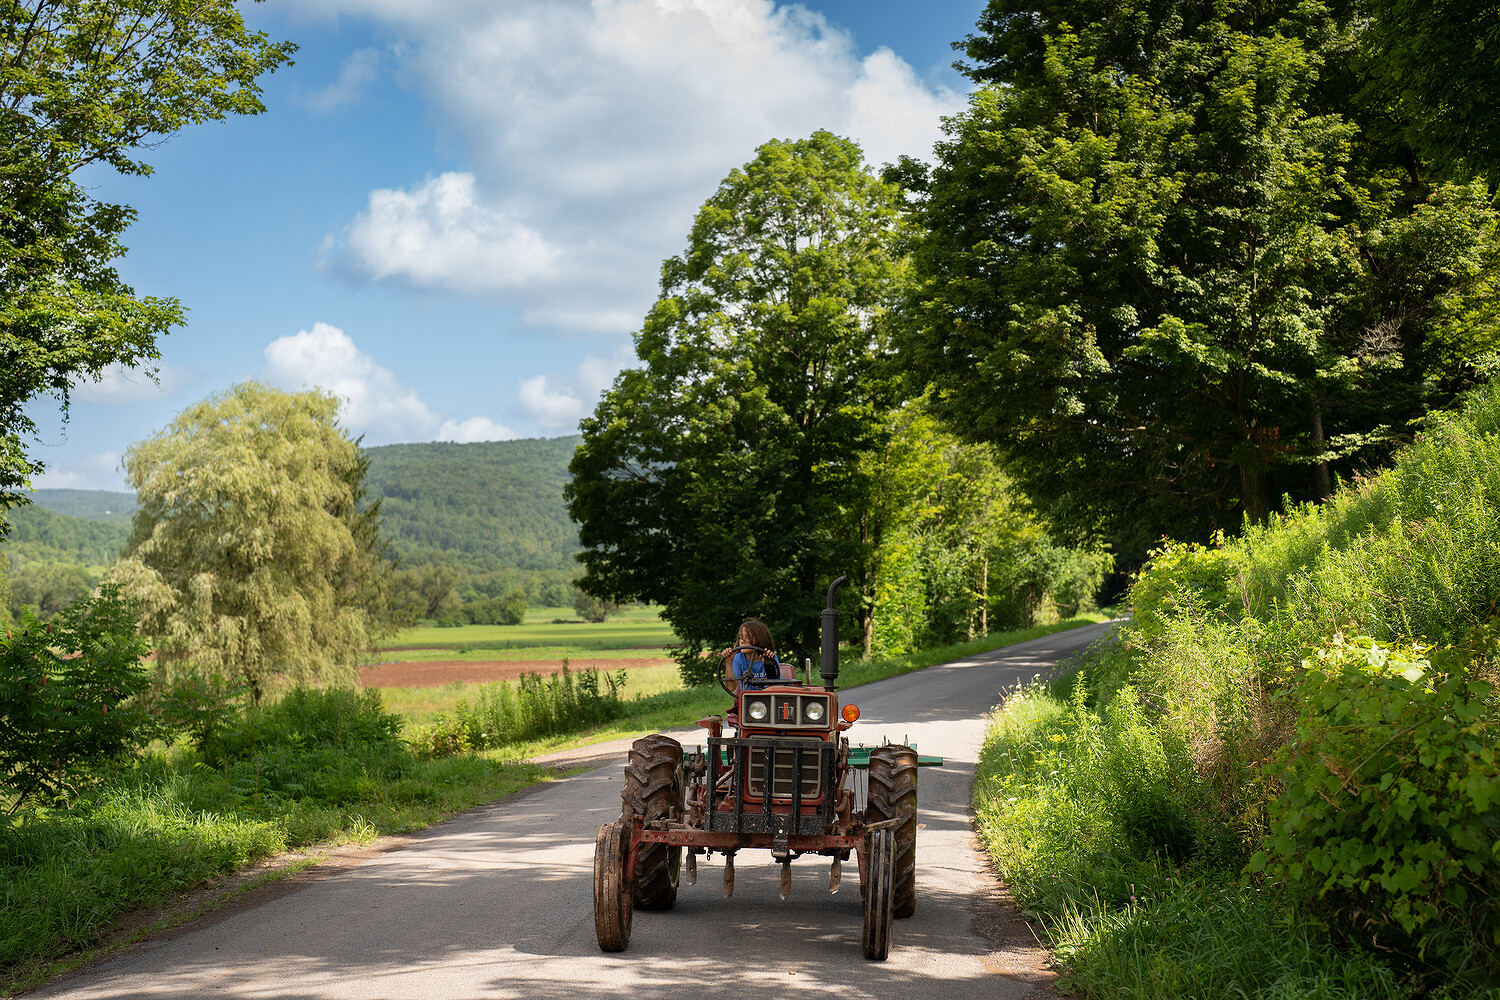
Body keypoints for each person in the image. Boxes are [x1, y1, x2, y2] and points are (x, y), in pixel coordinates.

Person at [721, 619, 789, 690]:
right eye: (741, 637)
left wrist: (769, 667)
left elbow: (777, 688)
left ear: (760, 639)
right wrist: (729, 662)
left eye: (747, 637)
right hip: (748, 699)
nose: (742, 640)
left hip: (768, 698)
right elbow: (731, 687)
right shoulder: (739, 658)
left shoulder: (770, 657)